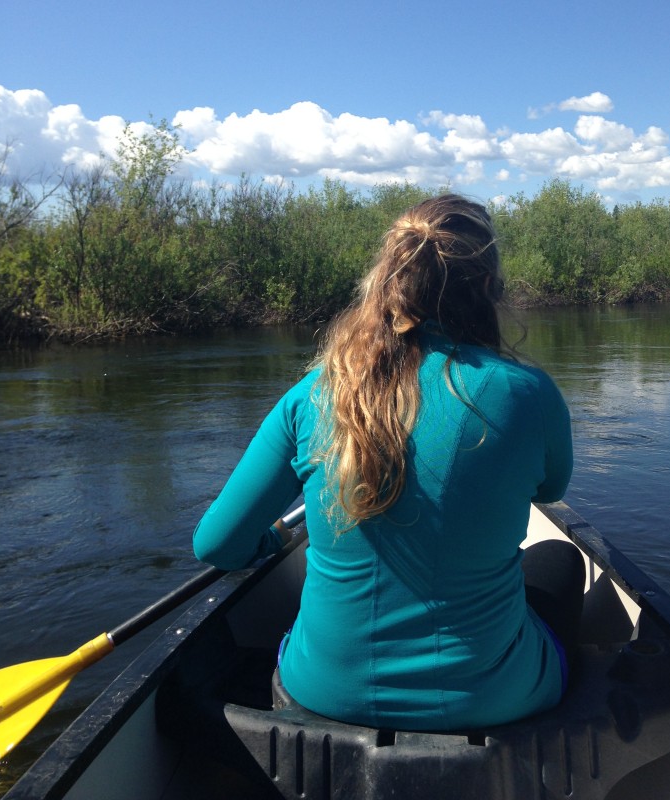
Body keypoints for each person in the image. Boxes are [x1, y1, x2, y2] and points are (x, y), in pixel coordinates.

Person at [193, 193, 584, 730]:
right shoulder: (529, 393)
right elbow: (548, 489)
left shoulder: (313, 394)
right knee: (562, 564)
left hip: (321, 693)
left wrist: (272, 543)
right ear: (490, 288)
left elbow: (215, 545)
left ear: (387, 281)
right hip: (490, 699)